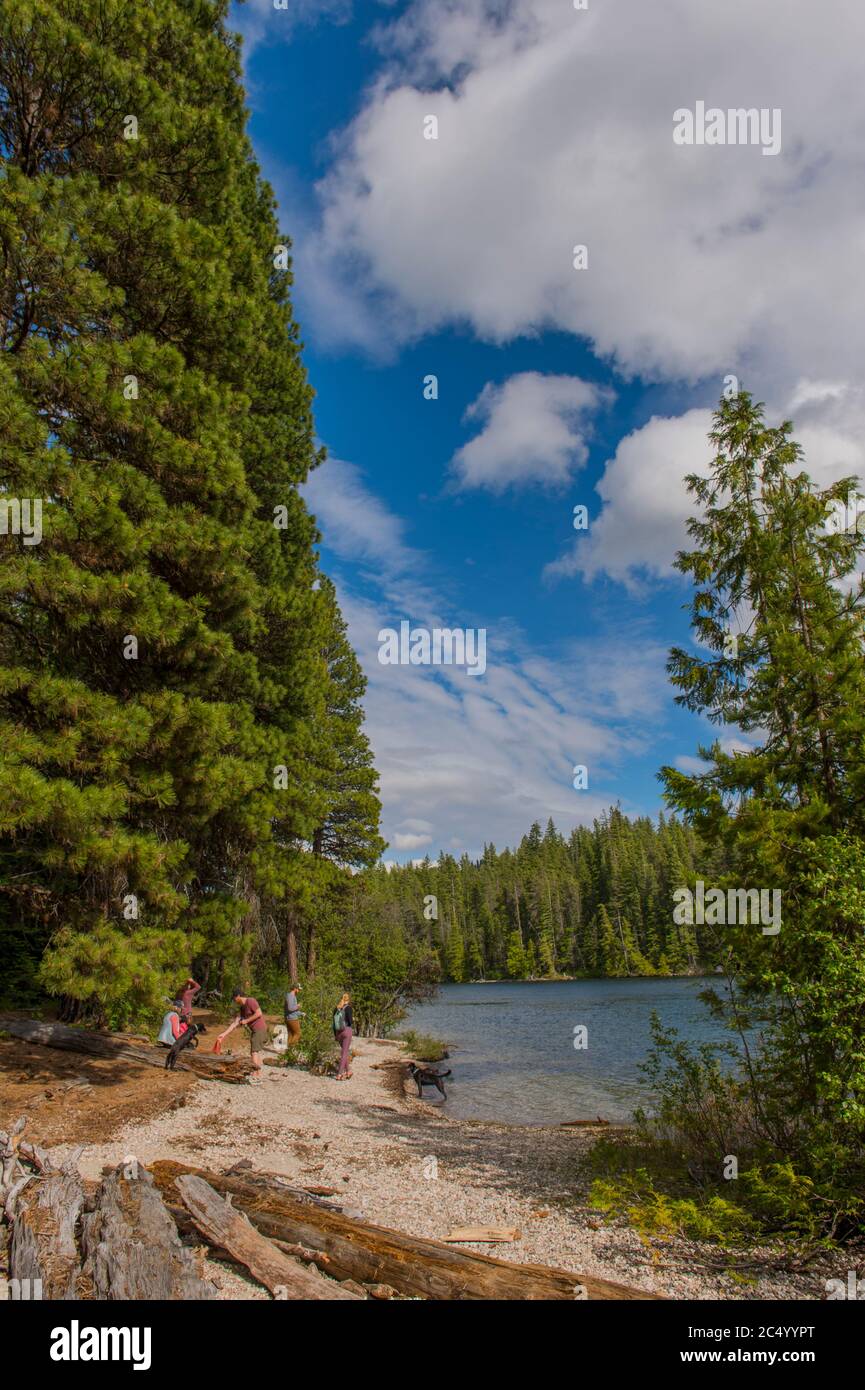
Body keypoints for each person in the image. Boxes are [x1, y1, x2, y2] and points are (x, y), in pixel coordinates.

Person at [217, 990, 268, 1079]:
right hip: (255, 1031)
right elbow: (235, 1023)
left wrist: (246, 1021)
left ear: (238, 996)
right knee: (255, 1051)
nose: (234, 1001)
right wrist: (223, 1034)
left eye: (234, 998)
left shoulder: (251, 1001)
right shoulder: (242, 1008)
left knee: (254, 1051)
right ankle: (258, 1073)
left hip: (260, 1029)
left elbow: (259, 1013)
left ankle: (255, 1073)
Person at [332, 992, 354, 1080]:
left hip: (338, 1032)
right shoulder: (348, 1008)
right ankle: (339, 1074)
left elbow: (334, 1023)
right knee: (344, 1053)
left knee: (344, 1052)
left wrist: (336, 1035)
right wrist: (353, 1019)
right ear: (348, 1000)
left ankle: (348, 1071)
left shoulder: (336, 1009)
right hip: (346, 1031)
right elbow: (350, 1021)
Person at [283, 983, 303, 1048]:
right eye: (298, 989)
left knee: (291, 1035)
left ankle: (288, 1052)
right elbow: (290, 1008)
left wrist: (301, 1013)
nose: (299, 991)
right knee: (298, 1034)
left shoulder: (290, 996)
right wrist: (298, 1006)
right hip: (292, 1019)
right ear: (295, 988)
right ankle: (291, 1048)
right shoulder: (291, 996)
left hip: (289, 1018)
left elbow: (292, 1010)